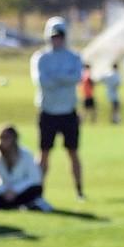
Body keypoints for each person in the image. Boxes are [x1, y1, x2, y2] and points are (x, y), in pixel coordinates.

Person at [31, 18, 85, 199]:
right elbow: (43, 83)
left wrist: (57, 77)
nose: (58, 39)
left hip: (68, 111)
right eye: (54, 36)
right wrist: (63, 78)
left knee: (73, 152)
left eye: (61, 36)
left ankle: (79, 190)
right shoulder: (41, 57)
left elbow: (76, 78)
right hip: (48, 111)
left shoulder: (74, 56)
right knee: (44, 153)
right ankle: (37, 191)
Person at [0, 125, 51, 212]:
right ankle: (12, 205)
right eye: (1, 137)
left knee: (37, 189)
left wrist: (15, 190)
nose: (3, 141)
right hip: (2, 190)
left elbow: (35, 178)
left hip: (21, 192)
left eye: (6, 137)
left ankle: (6, 205)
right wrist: (3, 191)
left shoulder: (26, 154)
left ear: (14, 139)